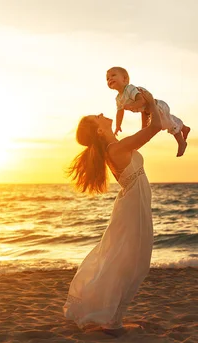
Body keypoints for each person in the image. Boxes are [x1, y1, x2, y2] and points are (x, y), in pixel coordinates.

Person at [63, 87, 162, 335]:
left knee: (129, 262)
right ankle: (113, 322)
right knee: (130, 263)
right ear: (99, 129)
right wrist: (150, 101)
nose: (101, 114)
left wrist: (146, 110)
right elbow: (155, 128)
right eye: (97, 117)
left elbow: (146, 129)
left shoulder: (115, 145)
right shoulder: (116, 150)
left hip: (133, 205)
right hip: (132, 209)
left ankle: (114, 319)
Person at [106, 66, 191, 157]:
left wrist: (131, 106)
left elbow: (142, 101)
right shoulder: (118, 98)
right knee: (161, 122)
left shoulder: (130, 89)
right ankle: (184, 128)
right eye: (107, 78)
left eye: (113, 75)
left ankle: (181, 142)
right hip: (147, 111)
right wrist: (118, 125)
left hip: (157, 107)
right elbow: (120, 112)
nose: (110, 79)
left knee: (169, 124)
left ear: (125, 79)